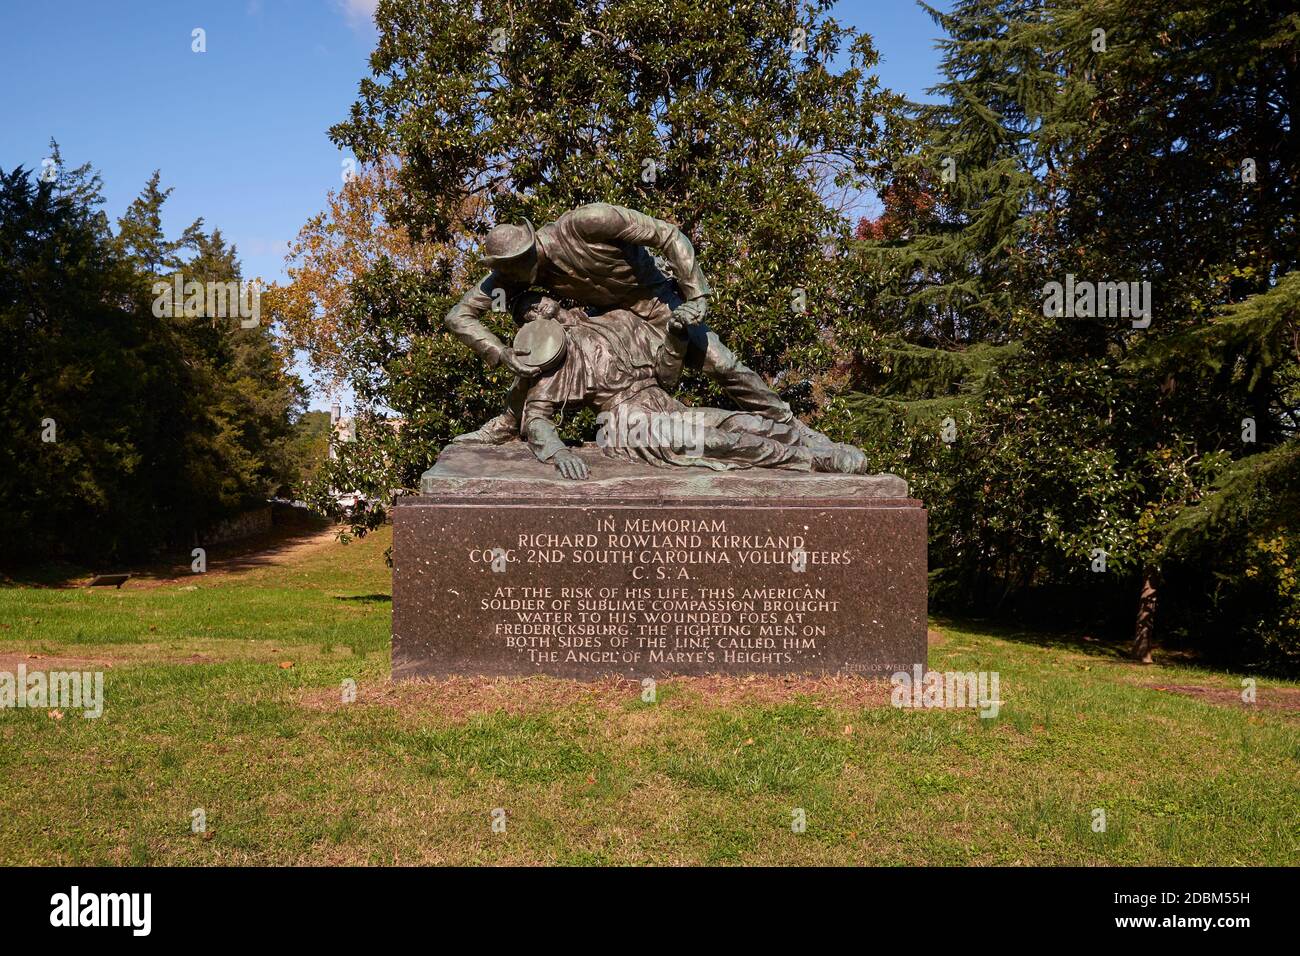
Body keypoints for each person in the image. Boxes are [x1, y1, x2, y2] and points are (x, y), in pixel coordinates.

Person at [444, 202, 853, 463]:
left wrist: (696, 296)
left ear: (528, 250)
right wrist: (500, 352)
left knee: (724, 365)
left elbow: (668, 235)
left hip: (660, 306)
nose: (502, 278)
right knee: (545, 352)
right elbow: (459, 317)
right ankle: (508, 420)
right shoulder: (515, 276)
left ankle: (791, 425)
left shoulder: (588, 223)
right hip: (615, 328)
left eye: (508, 268)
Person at [507, 293, 869, 479]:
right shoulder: (557, 356)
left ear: (555, 298)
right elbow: (536, 416)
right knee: (719, 443)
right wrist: (558, 453)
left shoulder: (620, 321)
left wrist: (677, 336)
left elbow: (666, 377)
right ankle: (813, 462)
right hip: (627, 424)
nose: (538, 311)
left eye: (538, 301)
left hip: (663, 402)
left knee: (743, 423)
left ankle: (819, 446)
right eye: (527, 313)